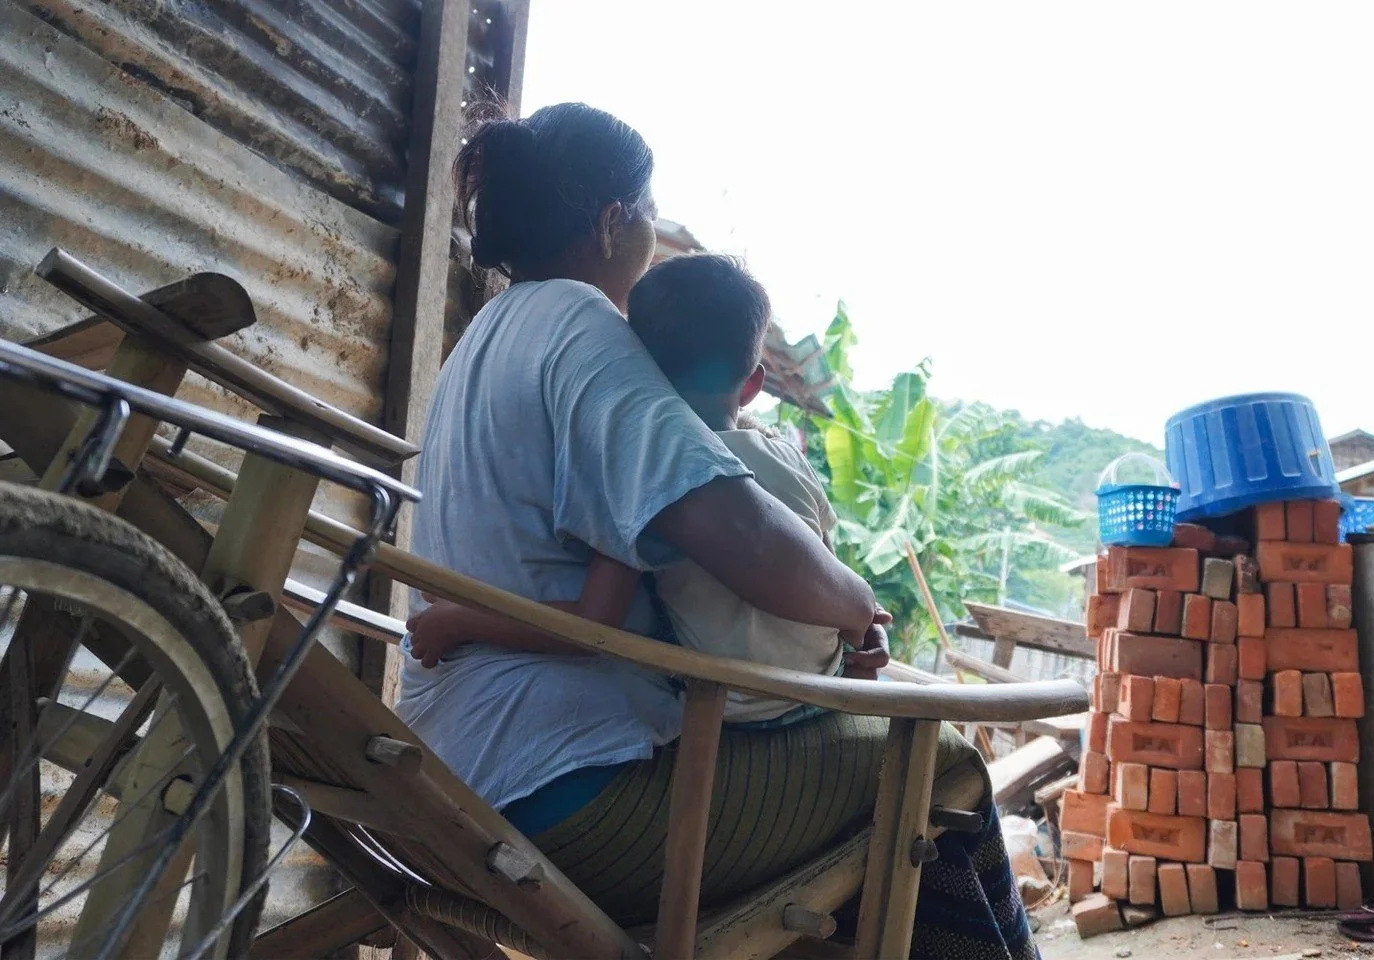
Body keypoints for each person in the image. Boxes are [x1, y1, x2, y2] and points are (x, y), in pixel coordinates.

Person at [393, 101, 1037, 959]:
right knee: (945, 758)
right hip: (573, 794)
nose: (653, 230)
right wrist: (856, 605)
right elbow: (745, 537)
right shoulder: (582, 328)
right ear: (612, 221)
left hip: (458, 775)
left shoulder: (484, 337)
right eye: (650, 211)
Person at [407, 252, 858, 724]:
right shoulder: (789, 456)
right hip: (822, 685)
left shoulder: (651, 470)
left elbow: (592, 624)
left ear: (635, 367)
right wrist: (861, 621)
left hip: (733, 708)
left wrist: (461, 620)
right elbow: (829, 561)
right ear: (752, 385)